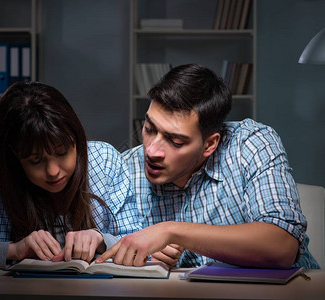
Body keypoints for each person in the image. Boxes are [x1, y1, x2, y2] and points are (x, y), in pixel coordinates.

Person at [97, 64, 320, 269]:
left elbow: (282, 248)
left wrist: (171, 231)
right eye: (149, 128)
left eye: (175, 141)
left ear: (210, 144)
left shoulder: (250, 144)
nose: (152, 151)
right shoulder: (124, 168)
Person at [0, 81, 141, 269]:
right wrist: (14, 250)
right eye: (36, 160)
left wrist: (101, 239)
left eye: (62, 153)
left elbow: (138, 238)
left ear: (77, 140)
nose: (53, 171)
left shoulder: (104, 161)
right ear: (15, 159)